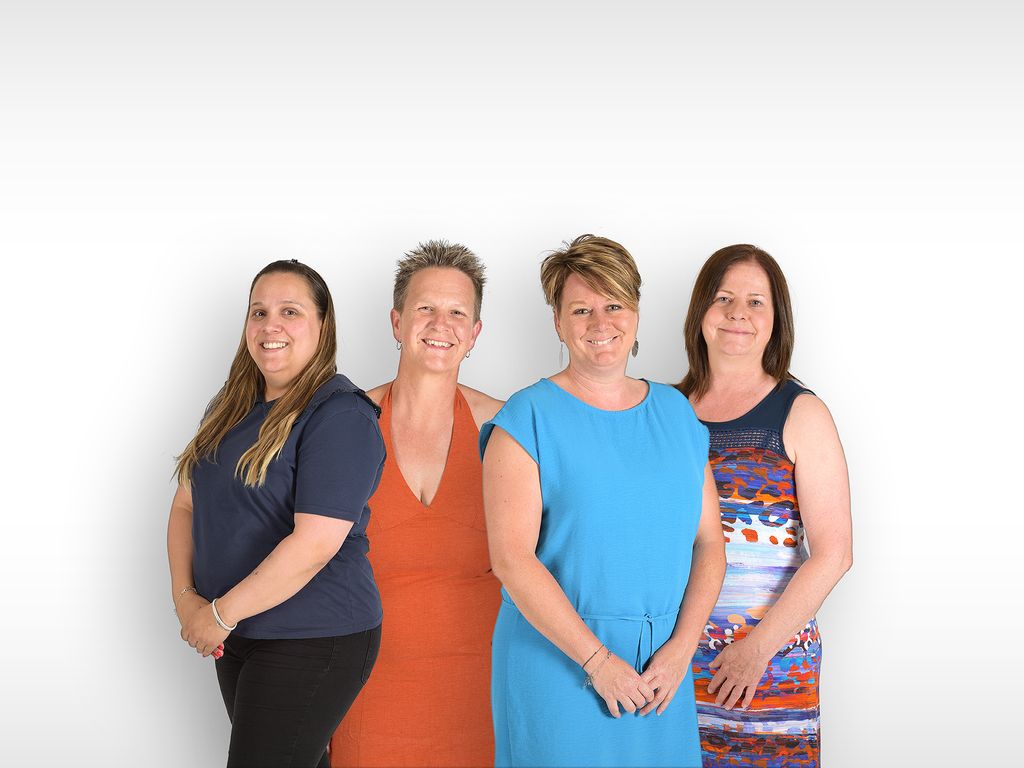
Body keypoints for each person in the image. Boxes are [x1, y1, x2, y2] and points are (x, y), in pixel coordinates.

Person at [480, 234, 726, 767]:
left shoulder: (677, 413)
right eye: (581, 309)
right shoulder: (526, 418)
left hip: (662, 670)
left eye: (614, 305)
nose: (600, 322)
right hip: (558, 660)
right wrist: (597, 662)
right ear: (558, 322)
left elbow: (709, 543)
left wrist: (681, 650)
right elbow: (511, 559)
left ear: (635, 313)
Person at [167, 260, 385, 768]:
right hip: (238, 634)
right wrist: (187, 602)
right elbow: (185, 506)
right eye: (259, 312)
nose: (271, 326)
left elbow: (314, 546)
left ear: (323, 326)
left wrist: (217, 615)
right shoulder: (229, 407)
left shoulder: (341, 415)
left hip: (314, 637)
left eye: (291, 311)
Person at [330, 241, 503, 767]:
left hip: (482, 694)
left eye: (457, 313)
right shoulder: (344, 421)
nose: (440, 324)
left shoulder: (508, 426)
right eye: (425, 307)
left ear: (474, 333)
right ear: (397, 321)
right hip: (363, 688)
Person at [681, 244, 853, 767]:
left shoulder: (801, 412)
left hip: (769, 667)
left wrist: (756, 651)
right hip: (673, 664)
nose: (738, 313)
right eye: (723, 298)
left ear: (776, 320)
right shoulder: (664, 410)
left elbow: (835, 554)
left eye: (756, 302)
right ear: (701, 310)